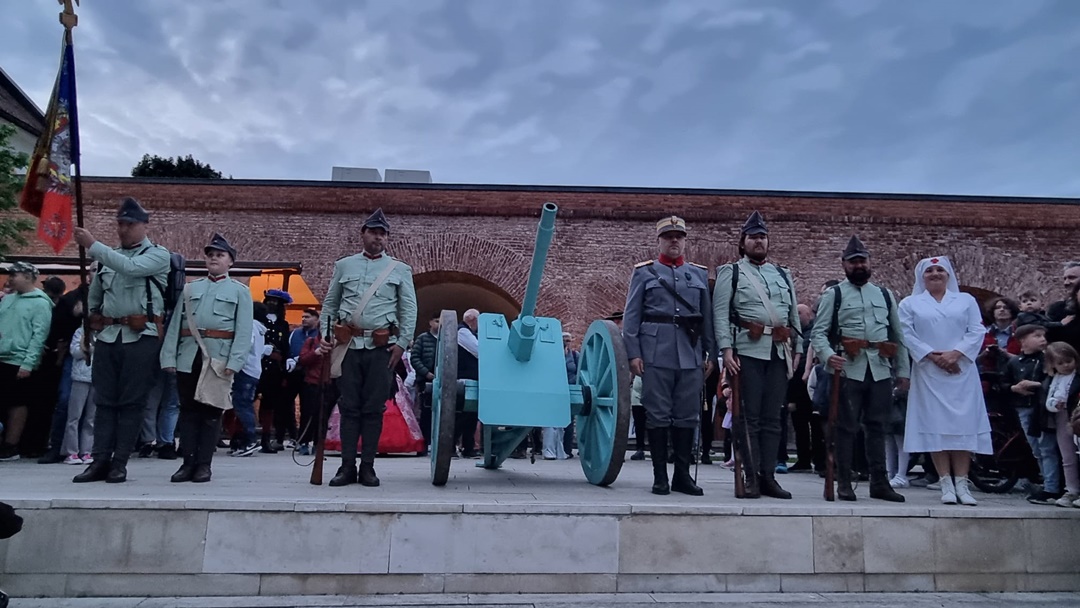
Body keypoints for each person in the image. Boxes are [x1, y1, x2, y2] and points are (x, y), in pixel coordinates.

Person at [72, 198, 170, 483]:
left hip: (141, 337)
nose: (123, 229)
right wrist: (89, 329)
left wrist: (93, 245)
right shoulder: (109, 257)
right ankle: (99, 460)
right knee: (103, 402)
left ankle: (120, 462)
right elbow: (95, 297)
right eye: (120, 224)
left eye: (130, 224)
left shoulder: (157, 255)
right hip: (109, 336)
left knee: (131, 402)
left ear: (144, 226)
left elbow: (131, 268)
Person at [321, 208, 417, 487]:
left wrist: (401, 343)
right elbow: (330, 304)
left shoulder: (399, 269)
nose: (378, 237)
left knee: (374, 409)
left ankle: (368, 467)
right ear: (363, 234)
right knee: (349, 407)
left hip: (380, 349)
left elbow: (408, 309)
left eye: (382, 234)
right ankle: (346, 467)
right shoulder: (344, 265)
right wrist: (326, 335)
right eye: (373, 232)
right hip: (349, 346)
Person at [809, 235, 908, 502]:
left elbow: (897, 335)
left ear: (870, 262)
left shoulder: (885, 295)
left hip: (879, 368)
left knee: (878, 426)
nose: (858, 266)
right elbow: (819, 333)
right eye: (853, 262)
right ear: (844, 264)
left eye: (862, 261)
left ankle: (880, 482)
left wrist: (903, 371)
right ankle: (844, 481)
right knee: (845, 428)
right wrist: (828, 356)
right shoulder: (834, 295)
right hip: (847, 369)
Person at [624, 215, 715, 496]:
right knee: (658, 414)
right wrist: (633, 353)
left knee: (687, 415)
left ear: (685, 241)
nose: (674, 241)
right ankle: (660, 477)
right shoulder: (644, 273)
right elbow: (632, 316)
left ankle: (682, 476)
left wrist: (710, 352)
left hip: (690, 351)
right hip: (656, 351)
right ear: (659, 241)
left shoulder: (698, 274)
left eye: (679, 237)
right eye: (668, 237)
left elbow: (706, 318)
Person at [713, 211, 798, 499]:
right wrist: (726, 350)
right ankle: (750, 476)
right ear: (743, 243)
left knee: (773, 418)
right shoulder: (732, 272)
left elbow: (792, 315)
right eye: (753, 237)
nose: (758, 242)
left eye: (762, 237)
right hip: (747, 351)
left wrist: (796, 349)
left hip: (778, 351)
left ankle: (768, 476)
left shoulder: (783, 274)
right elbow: (721, 313)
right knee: (748, 418)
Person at [898, 256, 992, 506]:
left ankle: (962, 482)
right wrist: (933, 356)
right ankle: (945, 483)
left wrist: (956, 354)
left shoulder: (965, 300)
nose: (935, 274)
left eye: (940, 269)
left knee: (963, 426)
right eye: (929, 270)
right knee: (935, 425)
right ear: (921, 277)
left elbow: (977, 330)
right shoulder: (910, 303)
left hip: (962, 370)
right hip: (929, 371)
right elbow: (906, 333)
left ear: (949, 274)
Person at [160, 234, 253, 483]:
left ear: (230, 262)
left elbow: (244, 331)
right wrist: (168, 356)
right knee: (188, 412)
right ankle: (187, 463)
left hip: (217, 359)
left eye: (220, 255)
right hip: (188, 356)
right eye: (210, 255)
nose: (214, 258)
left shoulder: (240, 292)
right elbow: (175, 325)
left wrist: (235, 362)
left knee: (211, 414)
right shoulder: (190, 289)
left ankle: (204, 465)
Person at [0, 262, 54, 461]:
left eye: (15, 275)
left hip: (20, 359)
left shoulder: (41, 303)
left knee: (17, 403)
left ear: (28, 277)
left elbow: (39, 335)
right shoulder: (8, 299)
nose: (10, 279)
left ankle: (11, 445)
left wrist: (28, 363)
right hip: (2, 355)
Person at [1041, 341, 1080, 508]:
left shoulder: (1077, 376)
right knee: (1068, 456)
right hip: (1062, 417)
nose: (1065, 365)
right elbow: (1048, 400)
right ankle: (1071, 489)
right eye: (1060, 363)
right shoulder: (1054, 379)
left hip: (1077, 415)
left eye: (1069, 361)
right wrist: (1054, 404)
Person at [62, 325, 96, 465]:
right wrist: (88, 348)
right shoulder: (80, 331)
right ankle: (71, 451)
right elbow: (75, 352)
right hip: (80, 377)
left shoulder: (105, 332)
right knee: (74, 416)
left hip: (97, 379)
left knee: (91, 418)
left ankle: (87, 450)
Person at [410, 312, 440, 456]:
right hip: (425, 380)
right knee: (425, 413)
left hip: (442, 380)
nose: (439, 324)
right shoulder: (423, 338)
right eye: (436, 321)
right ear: (430, 322)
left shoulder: (446, 339)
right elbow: (415, 358)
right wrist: (425, 373)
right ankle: (423, 444)